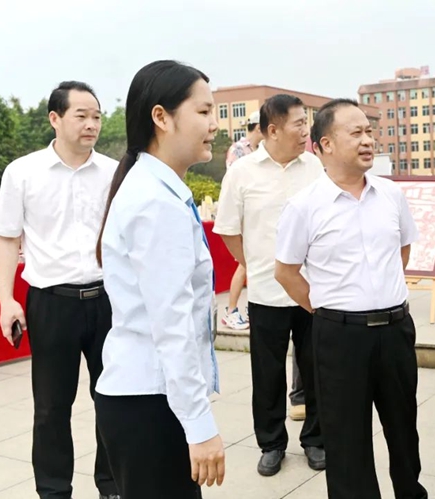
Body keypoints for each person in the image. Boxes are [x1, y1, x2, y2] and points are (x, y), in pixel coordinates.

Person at [275, 99, 428, 499]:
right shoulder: (304, 206)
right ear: (324, 144)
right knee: (346, 439)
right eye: (356, 133)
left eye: (369, 132)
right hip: (339, 338)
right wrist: (329, 309)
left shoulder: (391, 194)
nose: (367, 141)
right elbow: (286, 272)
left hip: (395, 331)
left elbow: (402, 250)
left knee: (403, 428)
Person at [93, 60, 225, 498]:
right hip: (149, 402)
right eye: (203, 111)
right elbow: (172, 326)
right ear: (161, 117)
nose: (214, 125)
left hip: (148, 397)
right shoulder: (155, 202)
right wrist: (199, 425)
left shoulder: (156, 190)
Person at [0, 81, 119, 499]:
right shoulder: (23, 172)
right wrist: (7, 300)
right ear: (55, 118)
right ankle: (53, 491)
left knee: (113, 399)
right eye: (81, 115)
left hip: (107, 301)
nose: (91, 124)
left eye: (96, 116)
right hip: (51, 303)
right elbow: (6, 238)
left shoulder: (113, 172)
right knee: (50, 408)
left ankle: (112, 485)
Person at [214, 93, 324, 476]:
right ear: (273, 130)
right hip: (265, 292)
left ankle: (316, 440)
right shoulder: (242, 172)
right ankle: (272, 443)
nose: (305, 130)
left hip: (311, 291)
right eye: (299, 123)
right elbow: (228, 230)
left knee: (316, 370)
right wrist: (255, 265)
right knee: (267, 375)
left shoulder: (315, 168)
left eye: (306, 123)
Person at [221, 110, 264, 331]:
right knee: (245, 263)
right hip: (244, 214)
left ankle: (243, 309)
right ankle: (230, 310)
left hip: (255, 214)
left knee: (249, 264)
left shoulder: (257, 150)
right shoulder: (238, 150)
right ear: (258, 128)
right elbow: (234, 184)